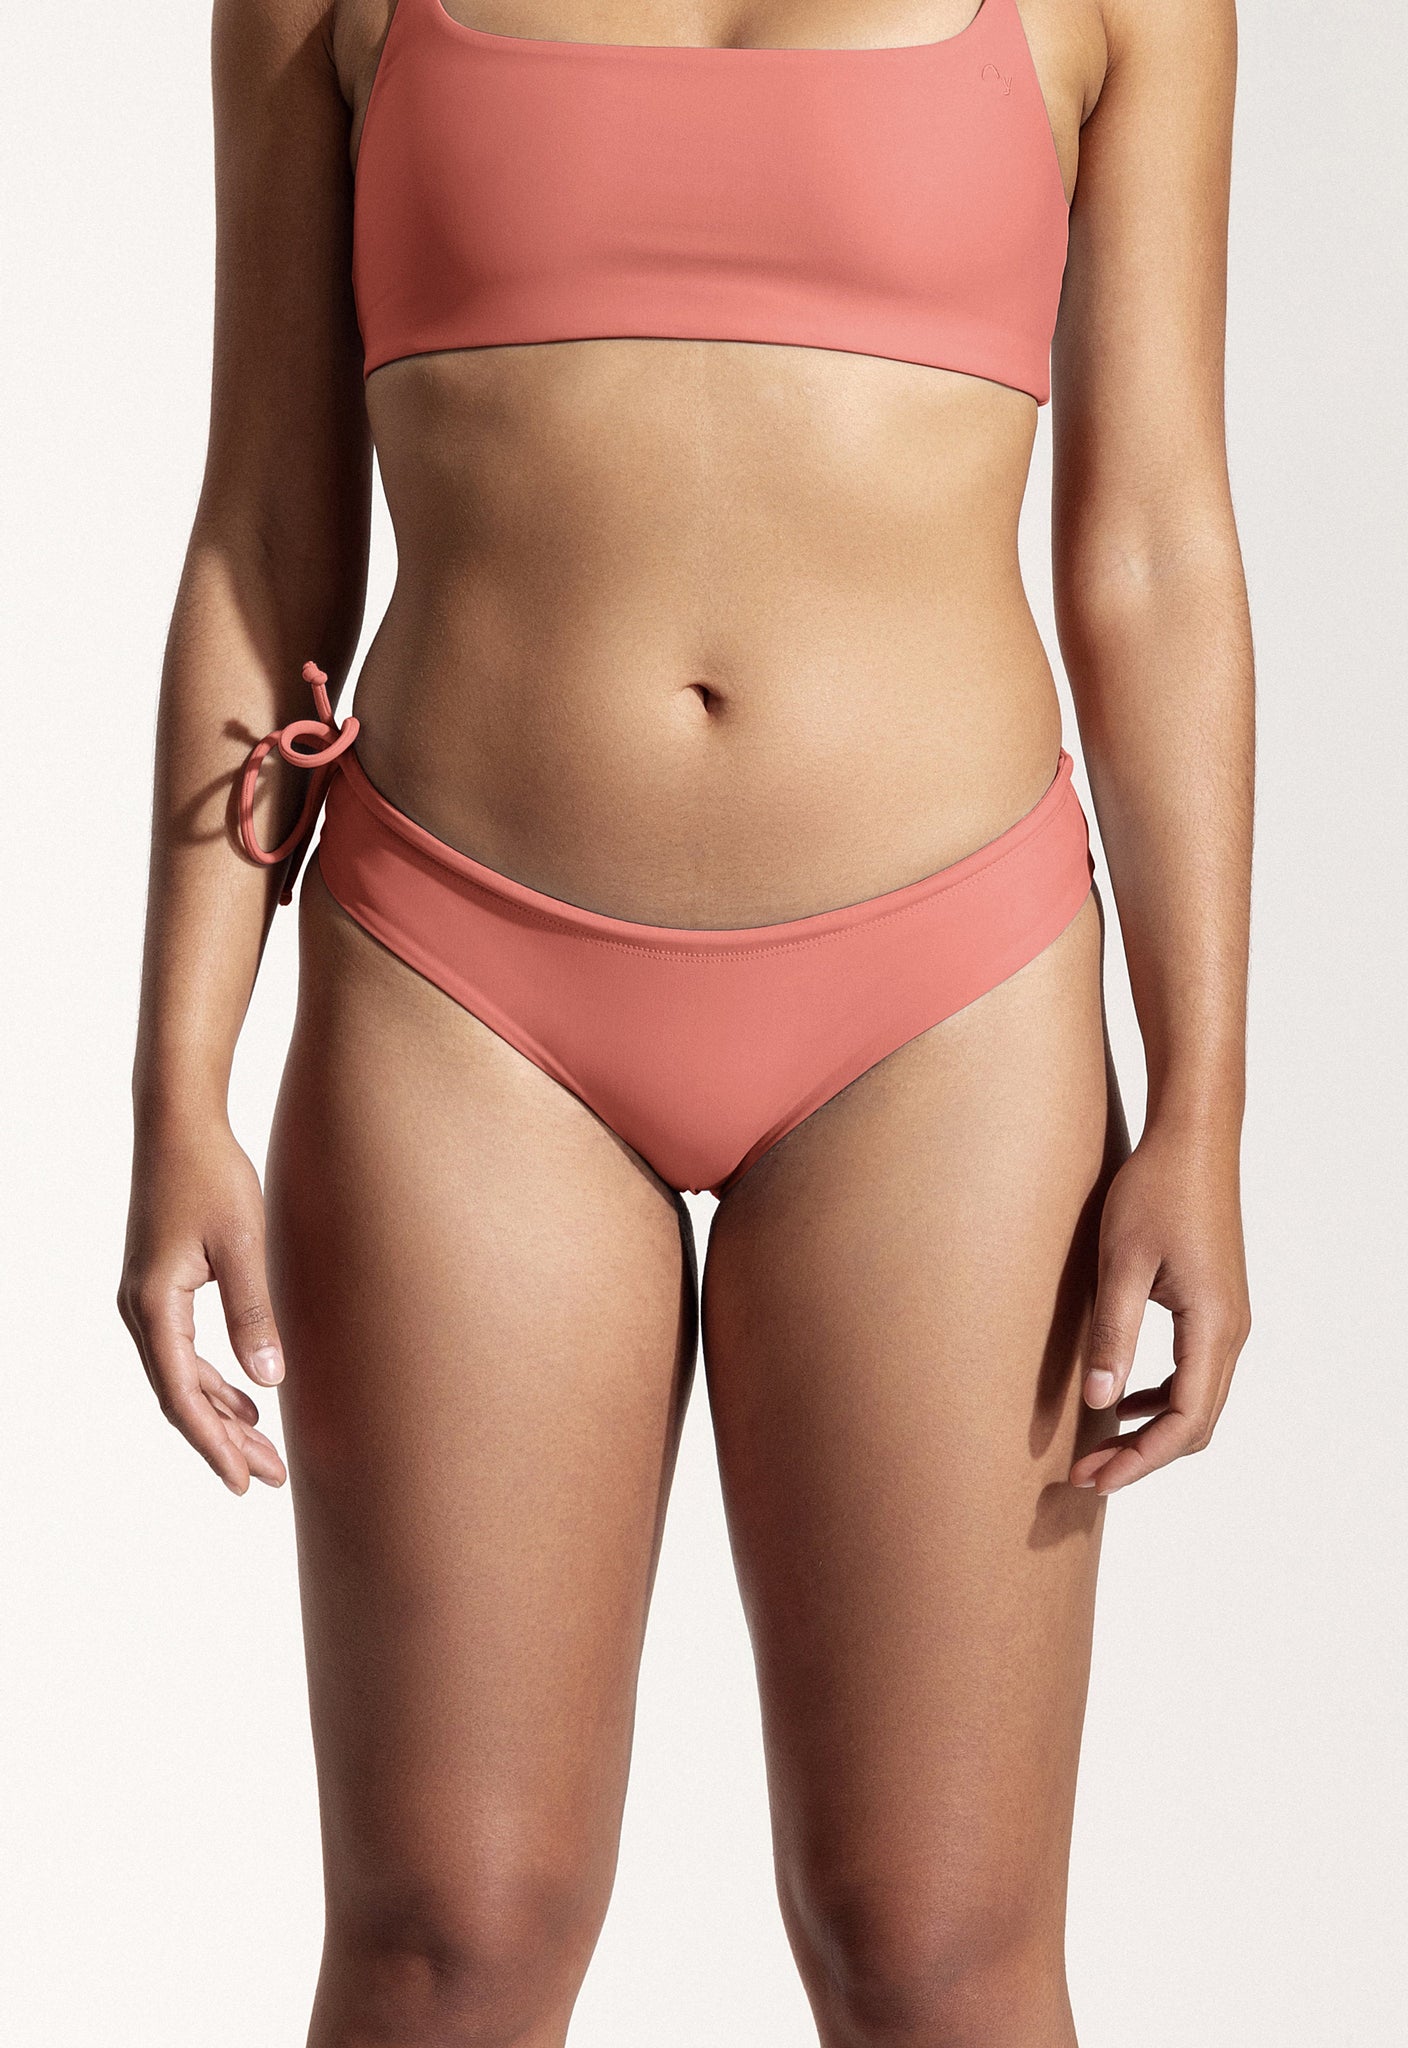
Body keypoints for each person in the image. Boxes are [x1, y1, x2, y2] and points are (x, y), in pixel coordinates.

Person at [118, 1, 1253, 2042]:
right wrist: (176, 1079)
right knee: (447, 1938)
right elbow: (263, 530)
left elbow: (1154, 546)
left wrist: (1201, 1104)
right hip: (459, 986)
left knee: (938, 1949)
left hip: (947, 997)